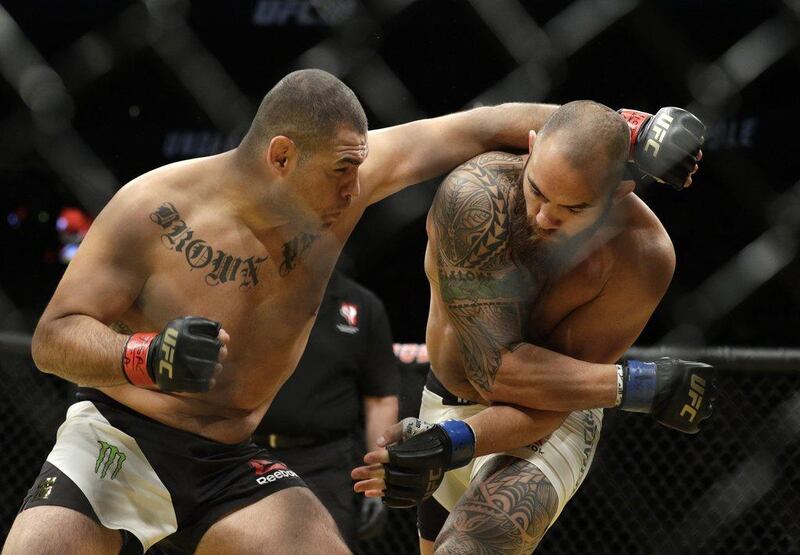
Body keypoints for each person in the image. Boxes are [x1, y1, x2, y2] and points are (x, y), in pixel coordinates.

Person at [3, 68, 565, 555]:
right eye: (341, 170)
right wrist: (145, 354)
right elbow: (52, 340)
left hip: (226, 462)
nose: (355, 188)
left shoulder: (345, 184)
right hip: (119, 440)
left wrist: (626, 130)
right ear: (282, 156)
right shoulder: (151, 209)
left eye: (357, 168)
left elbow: (479, 125)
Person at [352, 101, 716, 554]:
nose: (544, 217)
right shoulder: (476, 198)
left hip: (548, 423)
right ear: (530, 146)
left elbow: (550, 393)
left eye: (573, 208)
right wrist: (638, 385)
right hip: (446, 398)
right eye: (537, 191)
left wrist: (450, 442)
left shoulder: (640, 257)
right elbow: (495, 368)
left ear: (617, 193)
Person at [253, 267, 399, 549]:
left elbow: (380, 399)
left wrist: (377, 481)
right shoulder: (249, 291)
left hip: (325, 464)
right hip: (248, 457)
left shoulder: (361, 306)